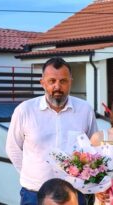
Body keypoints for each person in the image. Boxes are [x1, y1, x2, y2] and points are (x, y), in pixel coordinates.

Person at [6, 57, 98, 205]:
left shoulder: (85, 110)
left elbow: (93, 149)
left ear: (70, 82)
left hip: (73, 196)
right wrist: (33, 173)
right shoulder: (25, 110)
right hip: (34, 195)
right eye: (52, 81)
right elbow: (12, 148)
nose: (57, 86)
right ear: (42, 82)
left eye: (63, 81)